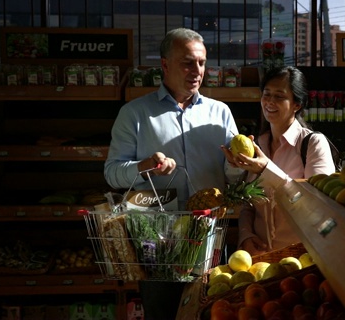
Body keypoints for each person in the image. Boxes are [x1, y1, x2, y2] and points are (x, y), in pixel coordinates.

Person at [104, 27, 242, 320]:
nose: (197, 70)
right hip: (157, 244)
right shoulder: (135, 114)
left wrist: (239, 163)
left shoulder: (220, 113)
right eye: (188, 62)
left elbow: (233, 178)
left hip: (209, 240)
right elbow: (113, 173)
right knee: (162, 313)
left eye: (202, 63)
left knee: (213, 314)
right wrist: (143, 168)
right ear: (165, 64)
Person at [222, 66, 336, 256]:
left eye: (279, 96)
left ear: (296, 104)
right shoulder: (258, 145)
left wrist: (267, 170)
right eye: (266, 94)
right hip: (259, 260)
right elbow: (248, 205)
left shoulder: (313, 144)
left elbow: (319, 205)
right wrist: (246, 236)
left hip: (302, 260)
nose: (270, 102)